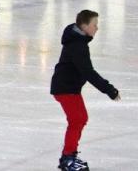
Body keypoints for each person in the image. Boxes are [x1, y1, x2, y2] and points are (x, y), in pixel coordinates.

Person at [51, 10, 120, 171]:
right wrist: (109, 89)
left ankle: (69, 156)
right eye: (94, 25)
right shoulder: (77, 45)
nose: (97, 28)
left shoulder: (78, 40)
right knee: (77, 120)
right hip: (65, 88)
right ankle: (68, 158)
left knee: (80, 118)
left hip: (70, 87)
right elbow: (88, 72)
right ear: (84, 26)